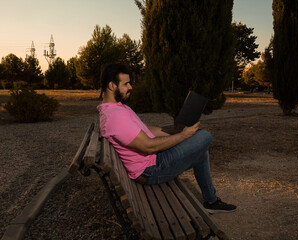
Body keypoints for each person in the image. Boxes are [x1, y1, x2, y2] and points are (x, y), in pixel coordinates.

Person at [97, 63, 236, 213]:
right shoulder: (115, 117)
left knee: (201, 151)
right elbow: (149, 146)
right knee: (204, 136)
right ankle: (211, 200)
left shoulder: (118, 108)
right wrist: (183, 136)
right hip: (150, 171)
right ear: (112, 85)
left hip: (153, 161)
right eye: (126, 84)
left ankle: (211, 201)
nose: (130, 87)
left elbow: (146, 129)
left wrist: (175, 131)